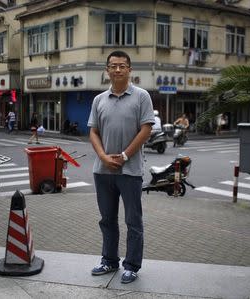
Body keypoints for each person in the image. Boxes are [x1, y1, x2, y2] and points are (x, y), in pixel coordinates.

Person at [87, 50, 155, 284]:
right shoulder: (99, 100)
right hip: (103, 171)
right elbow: (93, 131)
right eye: (113, 66)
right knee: (107, 219)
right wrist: (104, 157)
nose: (117, 69)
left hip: (130, 171)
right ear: (107, 70)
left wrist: (125, 155)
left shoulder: (141, 96)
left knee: (133, 221)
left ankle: (132, 266)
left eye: (122, 66)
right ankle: (109, 260)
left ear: (129, 69)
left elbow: (146, 129)